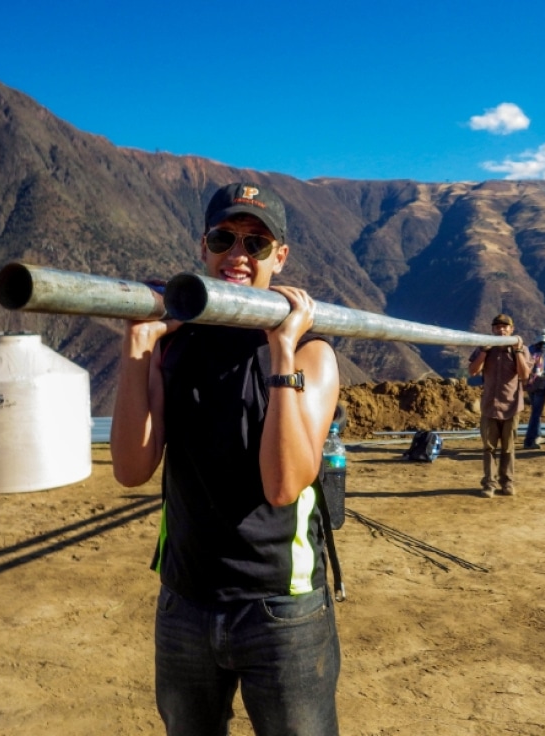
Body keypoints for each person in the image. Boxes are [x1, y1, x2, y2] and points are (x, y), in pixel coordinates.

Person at [110, 182, 342, 736]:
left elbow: (283, 485)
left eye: (256, 244)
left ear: (279, 257)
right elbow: (131, 468)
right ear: (203, 245)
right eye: (225, 237)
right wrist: (137, 352)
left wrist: (281, 348)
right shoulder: (175, 343)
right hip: (185, 600)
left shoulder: (314, 353)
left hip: (280, 611)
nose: (238, 254)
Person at [468, 314, 532, 498]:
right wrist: (484, 352)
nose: (501, 330)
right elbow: (473, 371)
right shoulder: (485, 349)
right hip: (489, 406)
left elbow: (524, 375)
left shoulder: (522, 350)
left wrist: (518, 351)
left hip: (511, 406)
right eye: (497, 327)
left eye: (505, 327)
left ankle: (507, 482)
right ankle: (489, 484)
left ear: (512, 330)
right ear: (492, 329)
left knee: (508, 448)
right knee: (488, 448)